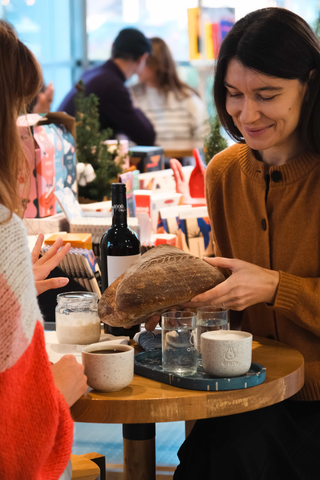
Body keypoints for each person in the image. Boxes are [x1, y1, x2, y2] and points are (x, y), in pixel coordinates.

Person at [147, 7, 320, 479]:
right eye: (233, 94)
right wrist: (190, 299)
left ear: (311, 84)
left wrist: (275, 287)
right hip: (248, 386)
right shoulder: (225, 172)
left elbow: (263, 285)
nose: (246, 113)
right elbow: (235, 297)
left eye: (267, 95)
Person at [0, 20, 88, 480]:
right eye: (18, 113)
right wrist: (57, 390)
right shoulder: (3, 231)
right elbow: (17, 448)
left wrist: (12, 294)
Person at [58, 28, 155, 146]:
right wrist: (134, 102)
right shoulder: (112, 86)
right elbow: (146, 136)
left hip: (60, 149)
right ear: (142, 58)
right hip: (74, 155)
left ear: (113, 47)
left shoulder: (92, 73)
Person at [131, 37, 209, 144]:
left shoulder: (187, 97)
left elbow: (205, 137)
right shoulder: (131, 95)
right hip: (145, 160)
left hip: (181, 160)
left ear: (156, 63)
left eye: (143, 61)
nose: (136, 65)